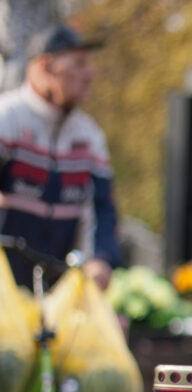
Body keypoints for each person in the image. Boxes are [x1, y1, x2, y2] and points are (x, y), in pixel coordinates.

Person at [0, 24, 120, 291]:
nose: (90, 74)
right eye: (78, 64)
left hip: (57, 289)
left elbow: (104, 210)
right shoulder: (7, 119)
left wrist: (101, 259)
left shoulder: (89, 136)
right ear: (45, 67)